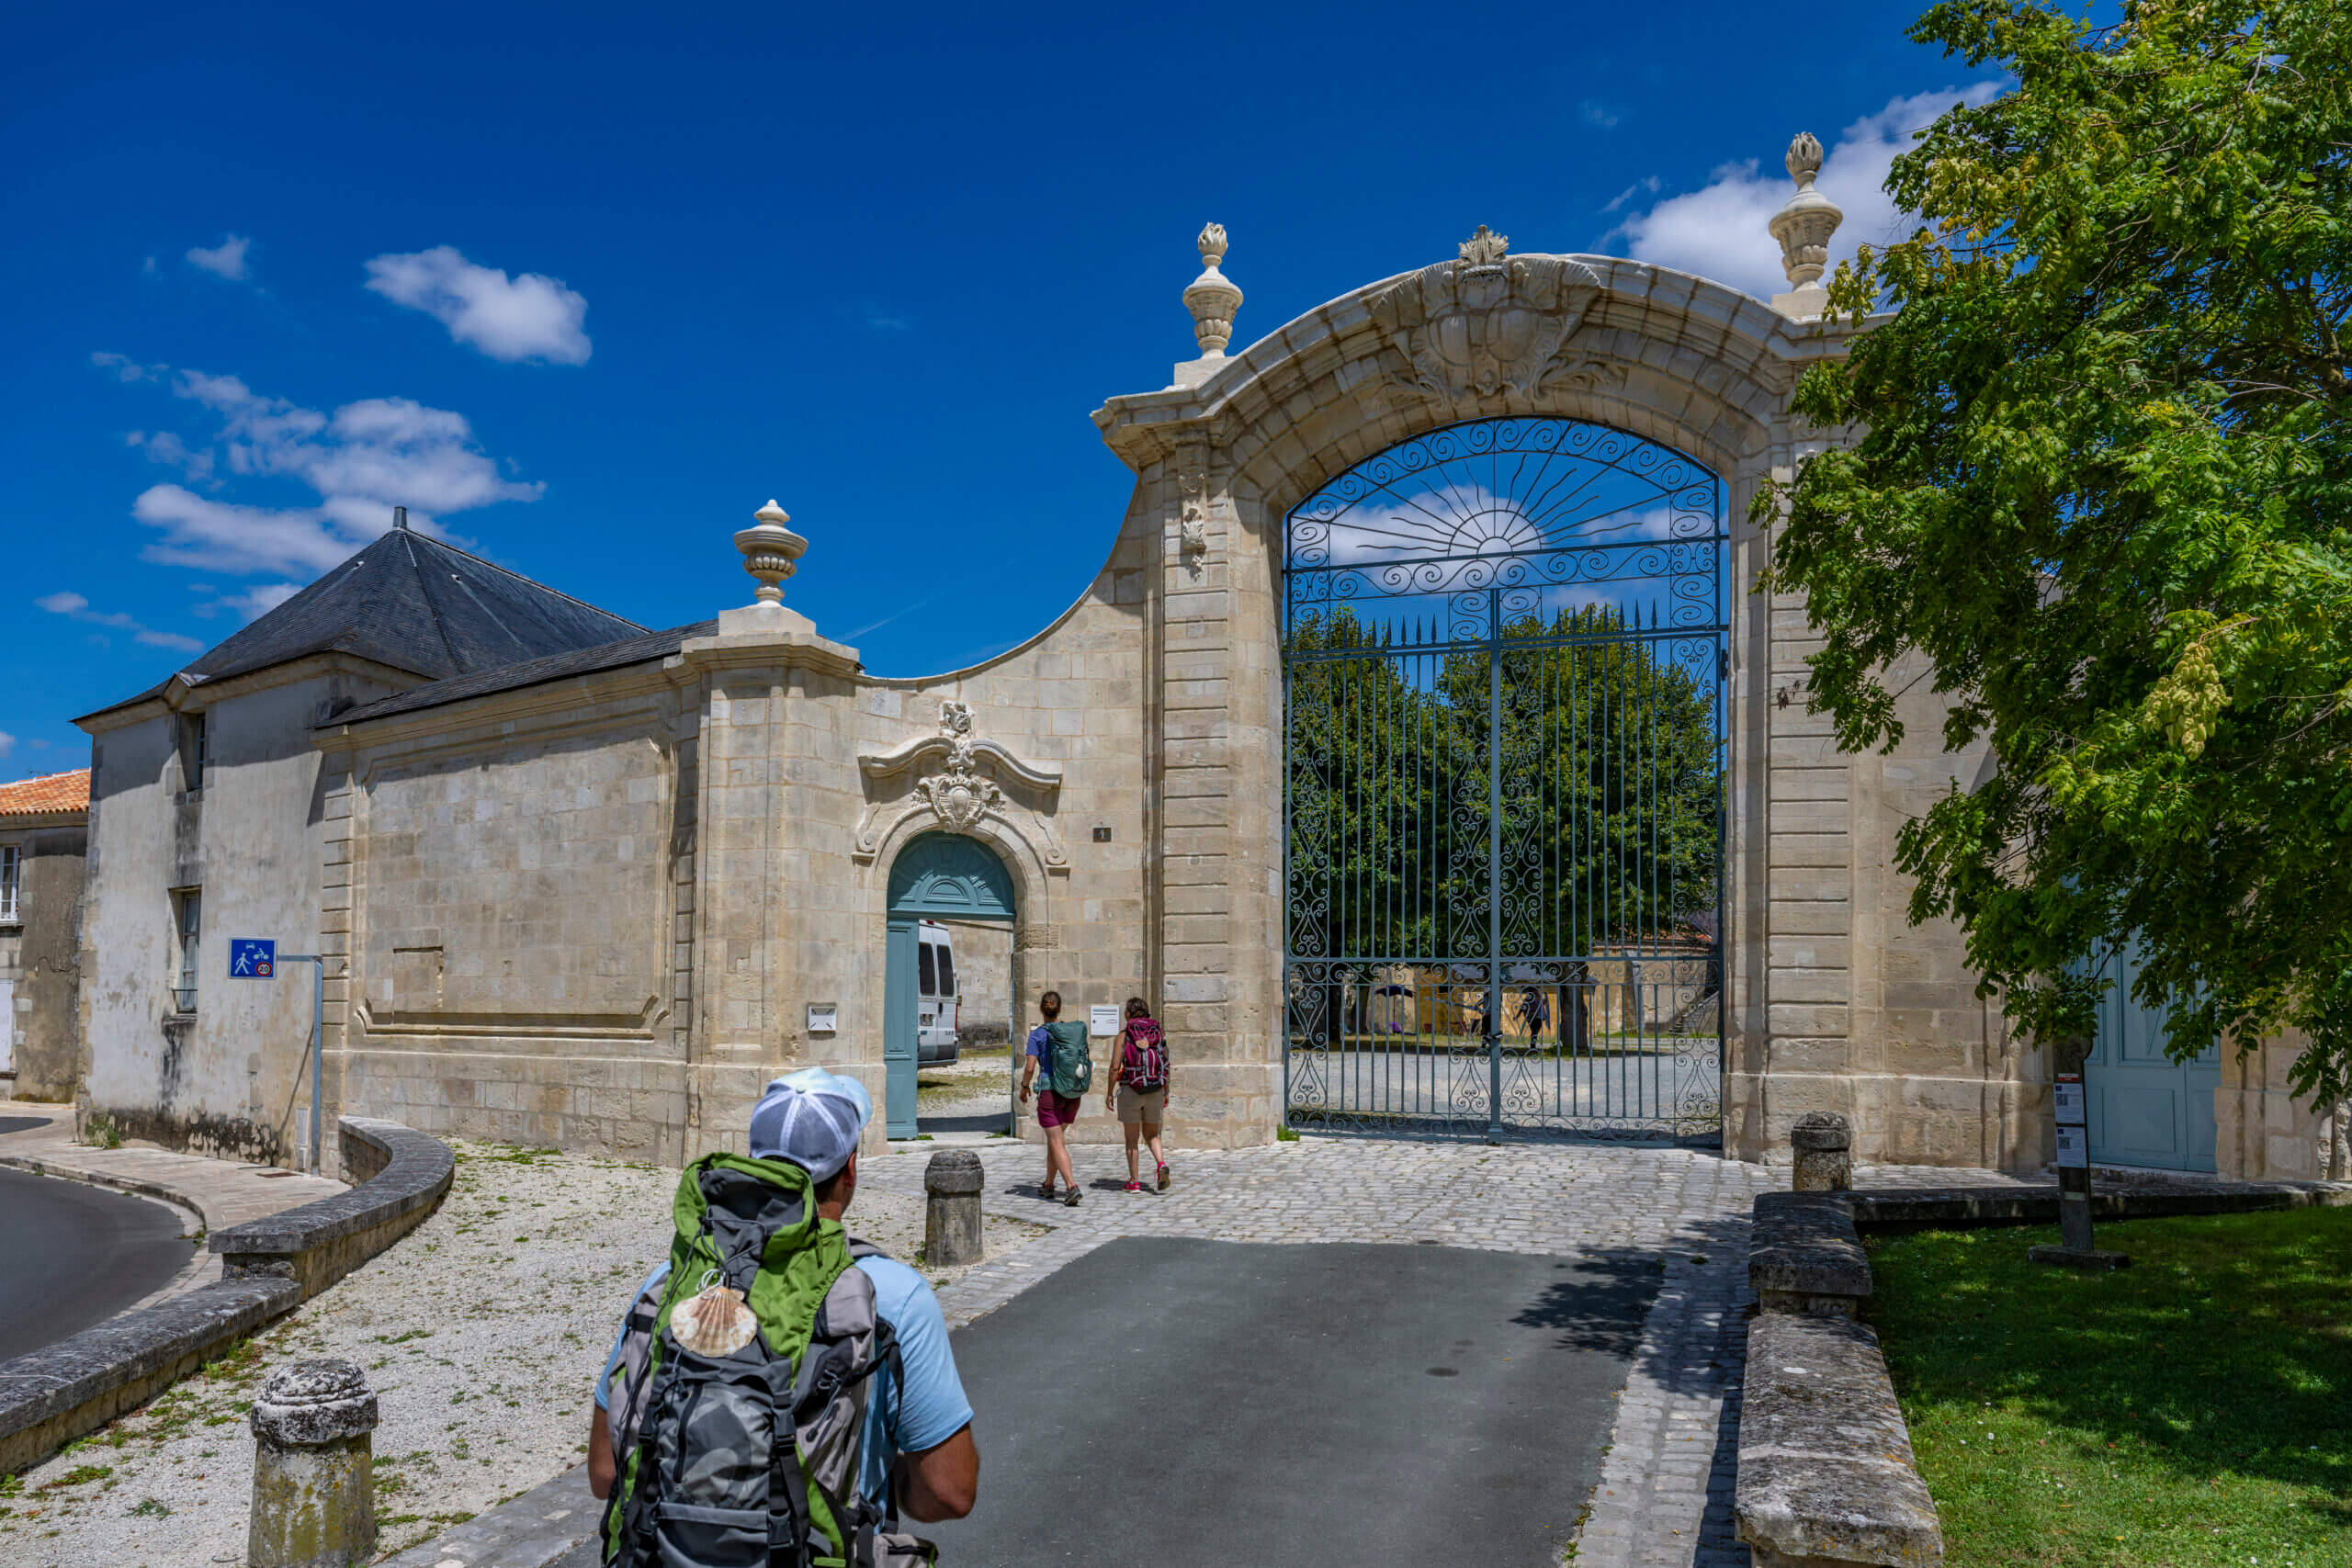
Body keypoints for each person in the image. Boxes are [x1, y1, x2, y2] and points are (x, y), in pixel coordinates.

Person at [587, 1067, 979, 1546]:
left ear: (756, 1162)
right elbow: (950, 1491)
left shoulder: (676, 1280)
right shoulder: (895, 1297)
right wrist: (887, 1484)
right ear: (850, 1171)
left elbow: (606, 1473)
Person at [1017, 989, 1086, 1206]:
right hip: (1072, 1093)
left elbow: (1029, 1067)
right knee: (1055, 1141)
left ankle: (1071, 1186)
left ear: (1041, 1009)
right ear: (1059, 1009)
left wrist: (1024, 1087)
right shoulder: (1069, 1032)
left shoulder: (1037, 1035)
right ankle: (1048, 1184)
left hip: (1049, 1092)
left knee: (1056, 1141)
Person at [1104, 995, 1170, 1193]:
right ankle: (1160, 1164)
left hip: (1131, 1090)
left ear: (1128, 1014)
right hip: (1155, 1089)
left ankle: (1134, 1182)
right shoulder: (1158, 1034)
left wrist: (1109, 1092)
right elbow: (1167, 1063)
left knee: (1132, 1140)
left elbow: (1115, 1067)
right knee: (1152, 1134)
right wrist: (1165, 1090)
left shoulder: (1124, 1036)